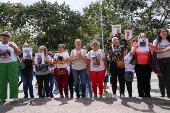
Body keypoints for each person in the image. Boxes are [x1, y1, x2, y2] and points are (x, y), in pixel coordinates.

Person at [130, 33, 154, 97]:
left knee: (147, 80)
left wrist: (151, 47)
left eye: (144, 36)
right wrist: (135, 48)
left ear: (146, 37)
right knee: (140, 80)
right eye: (141, 36)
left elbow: (152, 54)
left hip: (147, 65)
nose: (143, 37)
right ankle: (141, 94)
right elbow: (131, 54)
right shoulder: (135, 44)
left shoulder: (149, 44)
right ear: (139, 38)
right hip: (138, 65)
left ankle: (147, 94)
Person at [0, 31, 21, 102]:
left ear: (9, 37)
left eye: (6, 35)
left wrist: (13, 46)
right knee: (2, 80)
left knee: (13, 80)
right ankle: (2, 97)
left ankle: (15, 96)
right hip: (1, 64)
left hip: (12, 63)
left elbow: (19, 53)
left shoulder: (12, 44)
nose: (4, 36)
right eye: (3, 35)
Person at [105, 32, 128, 98]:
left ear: (118, 41)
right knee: (114, 79)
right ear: (112, 42)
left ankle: (122, 93)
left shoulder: (121, 48)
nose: (115, 41)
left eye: (116, 40)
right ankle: (114, 93)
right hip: (113, 64)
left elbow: (126, 45)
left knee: (121, 80)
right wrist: (110, 38)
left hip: (120, 64)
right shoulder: (110, 48)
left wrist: (123, 39)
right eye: (114, 40)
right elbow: (106, 45)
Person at [153, 29, 170, 97]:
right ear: (159, 34)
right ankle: (162, 93)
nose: (165, 33)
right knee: (161, 78)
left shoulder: (169, 40)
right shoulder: (156, 41)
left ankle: (169, 94)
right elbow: (155, 51)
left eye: (166, 31)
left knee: (168, 78)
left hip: (169, 60)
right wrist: (165, 50)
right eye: (163, 32)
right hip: (160, 60)